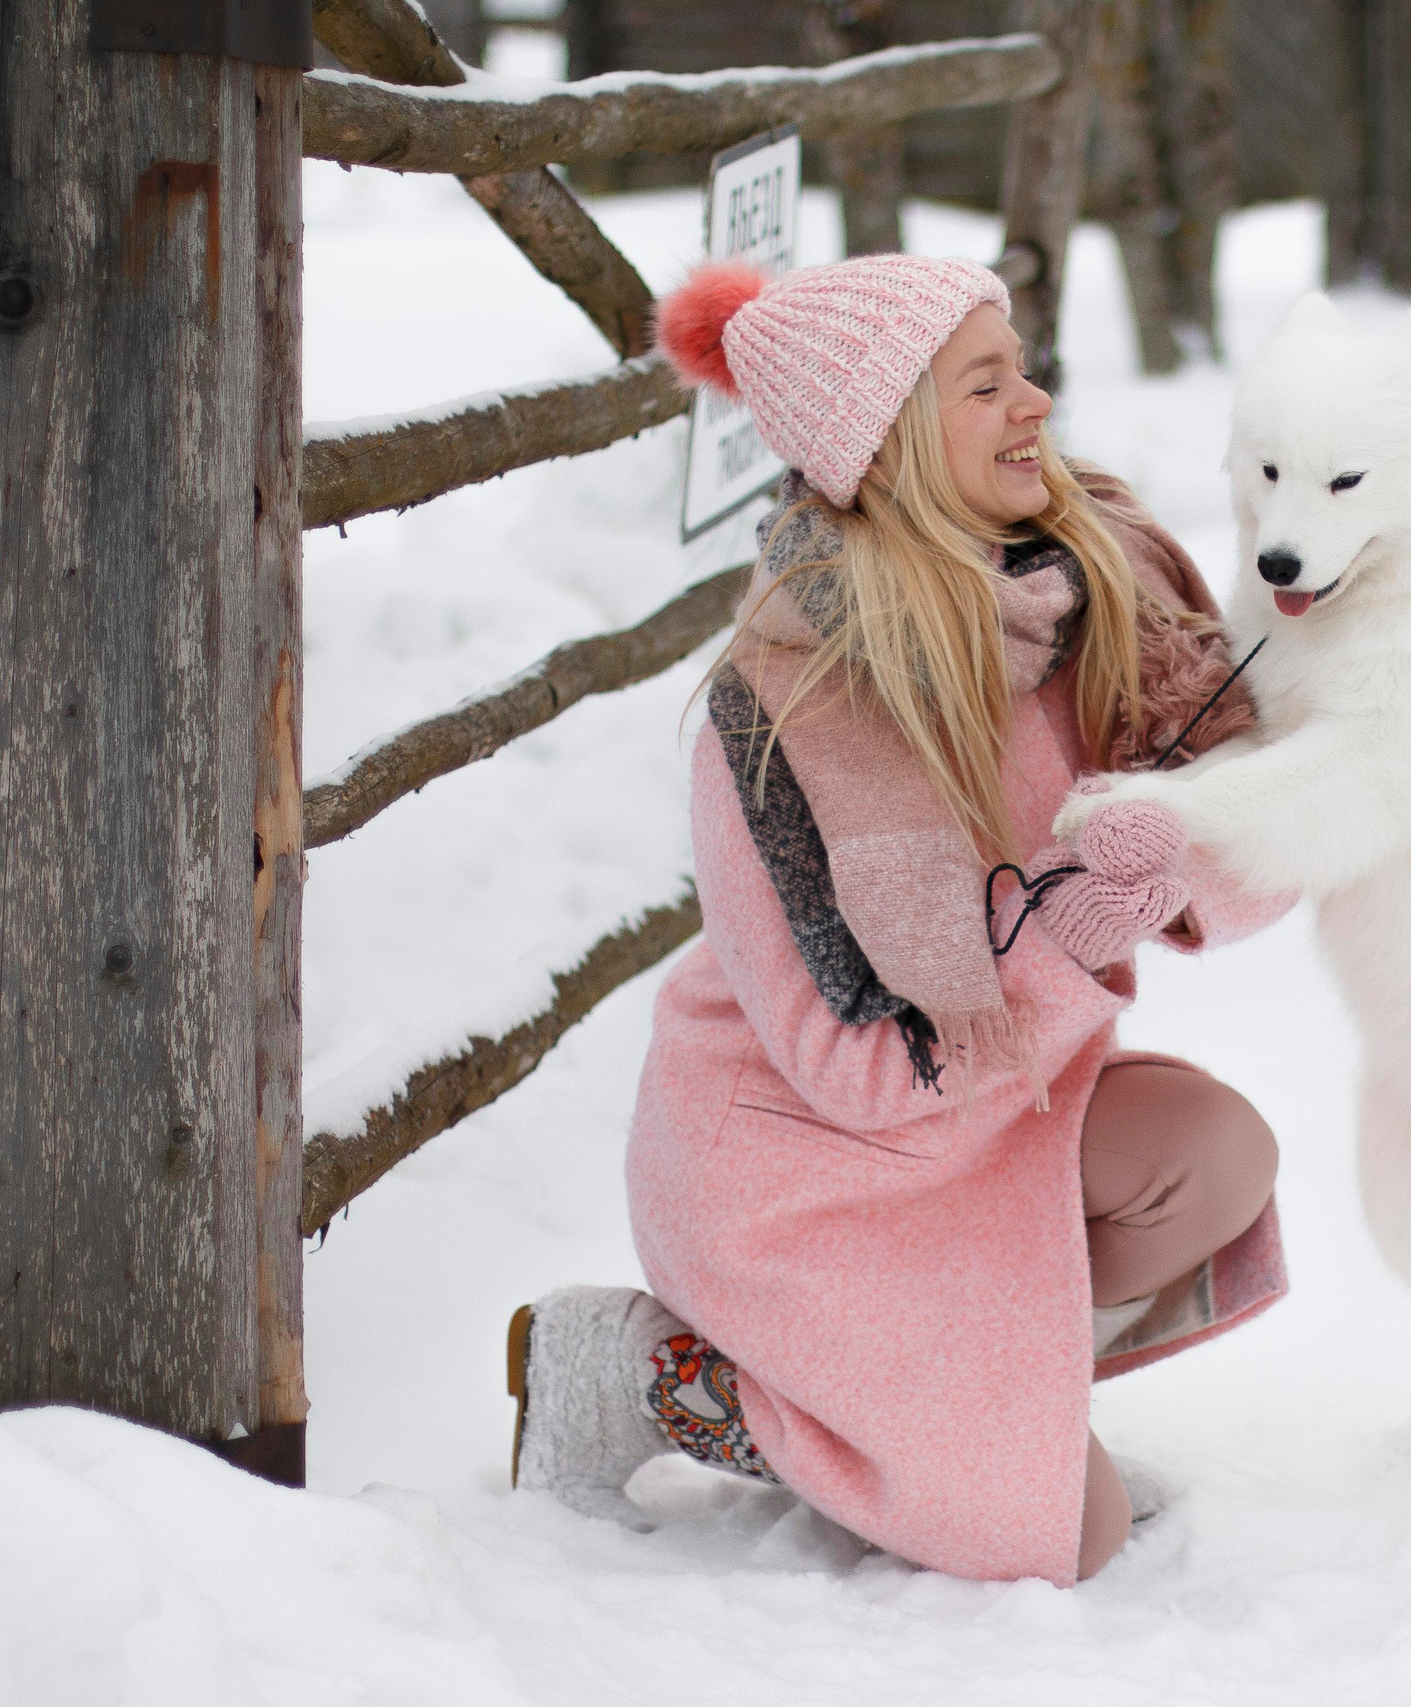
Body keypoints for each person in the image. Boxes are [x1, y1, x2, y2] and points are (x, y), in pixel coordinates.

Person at [503, 254, 1294, 1586]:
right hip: (804, 1169)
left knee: (1214, 1155)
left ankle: (991, 1415)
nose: (1035, 402)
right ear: (890, 443)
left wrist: (1187, 852)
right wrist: (1073, 920)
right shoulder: (795, 709)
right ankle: (643, 1375)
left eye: (1021, 367)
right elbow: (858, 1071)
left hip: (1000, 1118)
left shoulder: (1091, 585)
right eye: (986, 386)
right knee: (1065, 1542)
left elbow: (1248, 841)